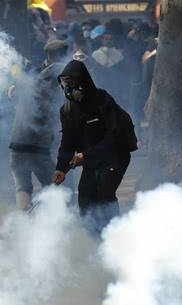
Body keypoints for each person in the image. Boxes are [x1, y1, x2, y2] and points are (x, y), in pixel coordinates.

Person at [52, 60, 138, 233]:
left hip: (115, 155)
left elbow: (115, 135)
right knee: (85, 196)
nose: (68, 88)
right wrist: (61, 168)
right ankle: (93, 238)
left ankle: (115, 233)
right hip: (92, 159)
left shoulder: (102, 100)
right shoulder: (67, 110)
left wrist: (86, 155)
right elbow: (67, 142)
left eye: (72, 83)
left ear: (83, 81)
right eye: (65, 83)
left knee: (104, 191)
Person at [9, 40, 71, 210]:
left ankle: (27, 224)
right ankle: (54, 224)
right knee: (55, 189)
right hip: (37, 144)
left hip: (17, 142)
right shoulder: (60, 77)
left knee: (23, 188)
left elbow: (14, 96)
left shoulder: (32, 76)